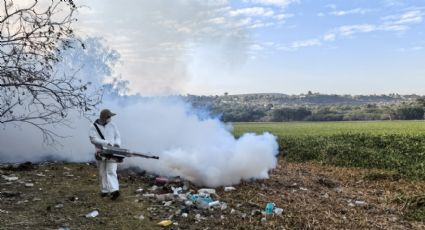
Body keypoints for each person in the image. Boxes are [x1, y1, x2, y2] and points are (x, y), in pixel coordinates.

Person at [89, 109, 122, 200]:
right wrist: (105, 143)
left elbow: (118, 136)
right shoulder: (93, 126)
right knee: (102, 172)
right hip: (100, 151)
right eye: (109, 116)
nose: (110, 118)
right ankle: (105, 191)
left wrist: (116, 144)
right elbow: (93, 139)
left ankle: (114, 190)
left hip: (112, 151)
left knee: (111, 170)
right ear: (105, 117)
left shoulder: (112, 125)